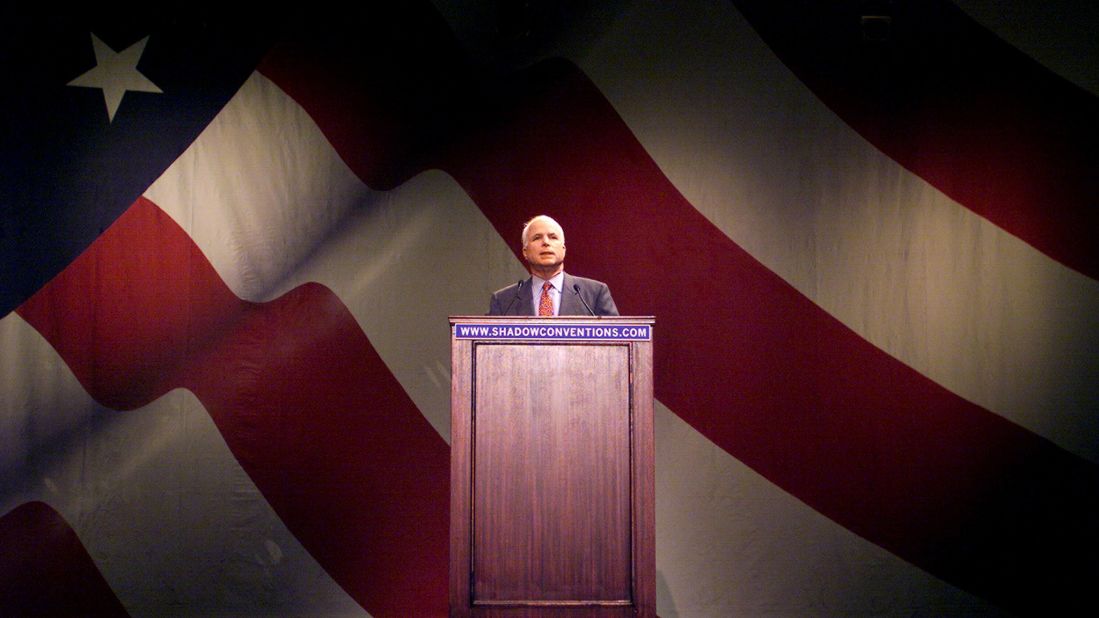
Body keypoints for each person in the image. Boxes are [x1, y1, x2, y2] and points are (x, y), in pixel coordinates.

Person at [488, 215, 619, 316]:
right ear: (525, 252)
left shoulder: (594, 294)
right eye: (537, 238)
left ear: (563, 249)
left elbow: (617, 343)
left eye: (553, 237)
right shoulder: (504, 301)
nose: (545, 242)